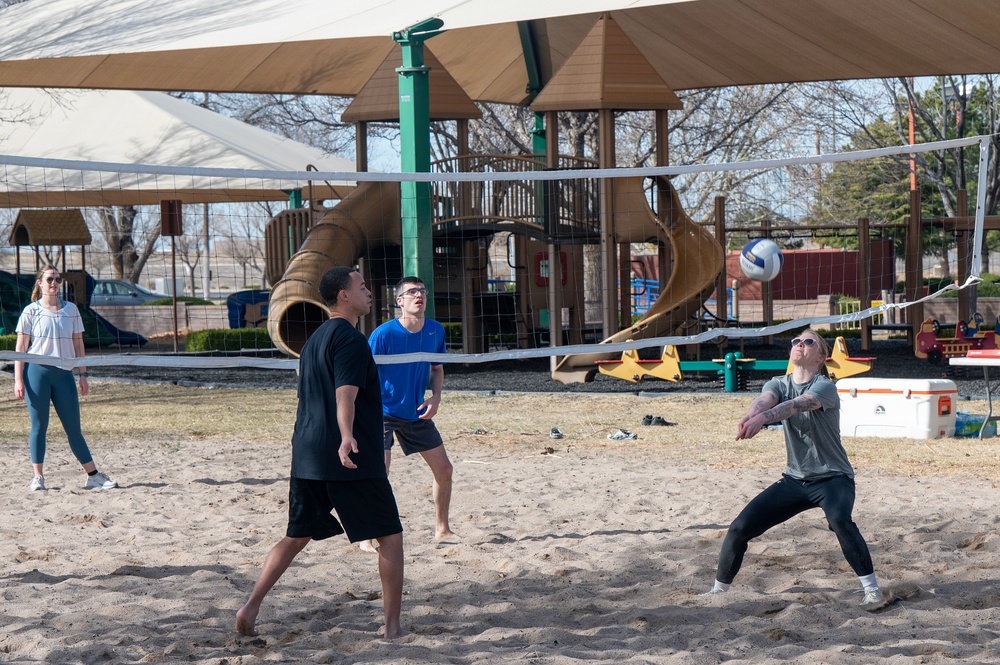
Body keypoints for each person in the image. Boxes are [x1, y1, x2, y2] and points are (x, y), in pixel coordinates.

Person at [236, 267, 405, 639]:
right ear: (344, 295)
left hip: (308, 453)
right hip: (348, 456)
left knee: (296, 536)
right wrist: (347, 436)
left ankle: (250, 605)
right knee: (390, 536)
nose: (368, 291)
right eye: (362, 286)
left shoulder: (313, 341)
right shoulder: (350, 338)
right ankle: (392, 628)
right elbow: (346, 393)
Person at [706, 329, 884, 608]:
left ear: (821, 356)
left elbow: (796, 406)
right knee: (739, 528)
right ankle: (718, 592)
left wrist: (763, 419)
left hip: (833, 479)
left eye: (809, 341)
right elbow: (767, 399)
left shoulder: (824, 386)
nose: (800, 344)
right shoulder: (778, 382)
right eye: (796, 341)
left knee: (839, 521)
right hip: (794, 481)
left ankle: (871, 588)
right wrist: (751, 415)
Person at [367, 276, 457, 547]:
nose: (419, 295)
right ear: (399, 301)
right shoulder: (383, 334)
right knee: (379, 474)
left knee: (444, 469)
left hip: (416, 412)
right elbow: (363, 377)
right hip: (381, 412)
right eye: (412, 292)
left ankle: (442, 530)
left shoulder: (435, 331)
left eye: (423, 291)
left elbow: (437, 369)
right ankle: (368, 536)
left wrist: (436, 397)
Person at [13, 266, 118, 492]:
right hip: (37, 373)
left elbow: (78, 344)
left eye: (57, 279)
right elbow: (20, 348)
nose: (54, 282)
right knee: (39, 427)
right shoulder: (31, 311)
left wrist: (83, 374)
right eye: (50, 278)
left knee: (74, 429)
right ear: (40, 283)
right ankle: (38, 477)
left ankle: (93, 476)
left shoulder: (71, 309)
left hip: (64, 373)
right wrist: (18, 380)